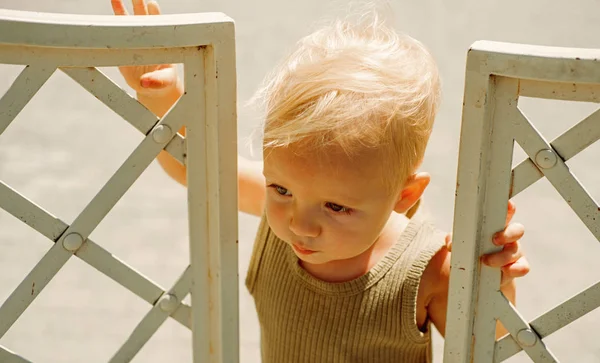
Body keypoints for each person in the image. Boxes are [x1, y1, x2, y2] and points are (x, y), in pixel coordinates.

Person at [111, 1, 530, 361]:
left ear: (404, 195)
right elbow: (193, 168)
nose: (300, 224)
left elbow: (488, 342)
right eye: (281, 189)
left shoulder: (429, 267)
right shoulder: (283, 205)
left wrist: (497, 283)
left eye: (337, 207)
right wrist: (159, 96)